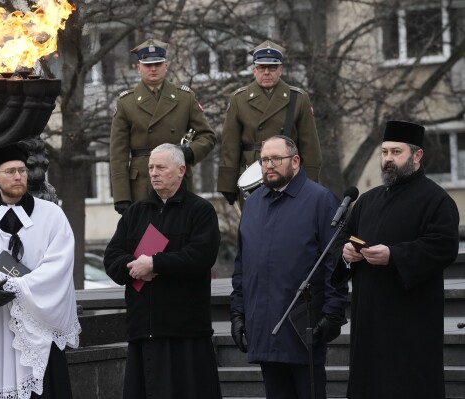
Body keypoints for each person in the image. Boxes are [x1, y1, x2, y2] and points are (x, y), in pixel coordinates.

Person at [333, 120, 460, 399]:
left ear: (417, 156)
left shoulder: (436, 200)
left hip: (410, 322)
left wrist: (394, 255)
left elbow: (444, 247)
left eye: (396, 152)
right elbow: (345, 239)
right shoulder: (367, 200)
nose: (388, 159)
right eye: (384, 152)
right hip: (369, 319)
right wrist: (347, 254)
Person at [0, 143, 81, 399]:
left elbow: (59, 266)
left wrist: (16, 287)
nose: (19, 176)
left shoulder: (52, 216)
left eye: (22, 170)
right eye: (10, 171)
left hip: (38, 328)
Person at [230, 135, 348, 399]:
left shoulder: (320, 200)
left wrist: (332, 315)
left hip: (303, 328)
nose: (268, 165)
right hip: (263, 327)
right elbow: (242, 266)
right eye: (264, 160)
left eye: (275, 159)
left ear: (295, 161)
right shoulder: (252, 205)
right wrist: (238, 313)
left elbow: (334, 264)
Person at [104, 143, 223, 398]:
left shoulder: (200, 211)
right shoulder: (135, 213)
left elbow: (201, 256)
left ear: (181, 170)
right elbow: (112, 258)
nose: (154, 173)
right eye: (150, 168)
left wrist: (155, 263)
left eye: (161, 167)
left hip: (186, 332)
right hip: (144, 330)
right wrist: (134, 267)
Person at [110, 38, 217, 214]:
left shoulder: (184, 98)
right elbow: (118, 154)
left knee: (180, 233)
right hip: (142, 183)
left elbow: (208, 136)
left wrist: (188, 152)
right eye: (147, 65)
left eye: (158, 64)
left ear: (166, 66)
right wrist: (122, 196)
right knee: (148, 238)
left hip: (177, 178)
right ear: (138, 68)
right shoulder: (126, 103)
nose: (153, 69)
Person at [217, 40, 321, 207]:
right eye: (261, 68)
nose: (267, 72)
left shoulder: (298, 98)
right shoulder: (239, 99)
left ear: (280, 70)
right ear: (254, 70)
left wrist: (311, 183)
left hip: (288, 176)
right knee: (255, 229)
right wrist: (227, 184)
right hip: (253, 175)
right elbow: (230, 146)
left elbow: (310, 146)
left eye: (272, 68)